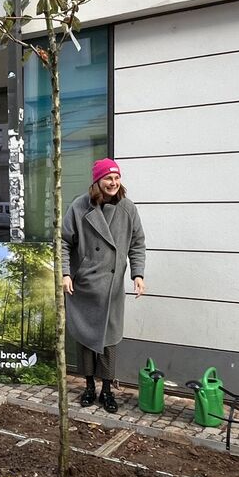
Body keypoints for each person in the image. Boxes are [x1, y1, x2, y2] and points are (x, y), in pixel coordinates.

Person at [61, 158, 145, 413]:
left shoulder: (128, 209)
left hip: (112, 287)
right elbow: (64, 242)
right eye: (108, 178)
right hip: (84, 285)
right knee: (86, 340)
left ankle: (107, 389)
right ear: (97, 181)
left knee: (109, 341)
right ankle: (89, 387)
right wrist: (66, 273)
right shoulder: (79, 206)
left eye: (117, 178)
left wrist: (137, 274)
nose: (113, 183)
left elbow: (137, 243)